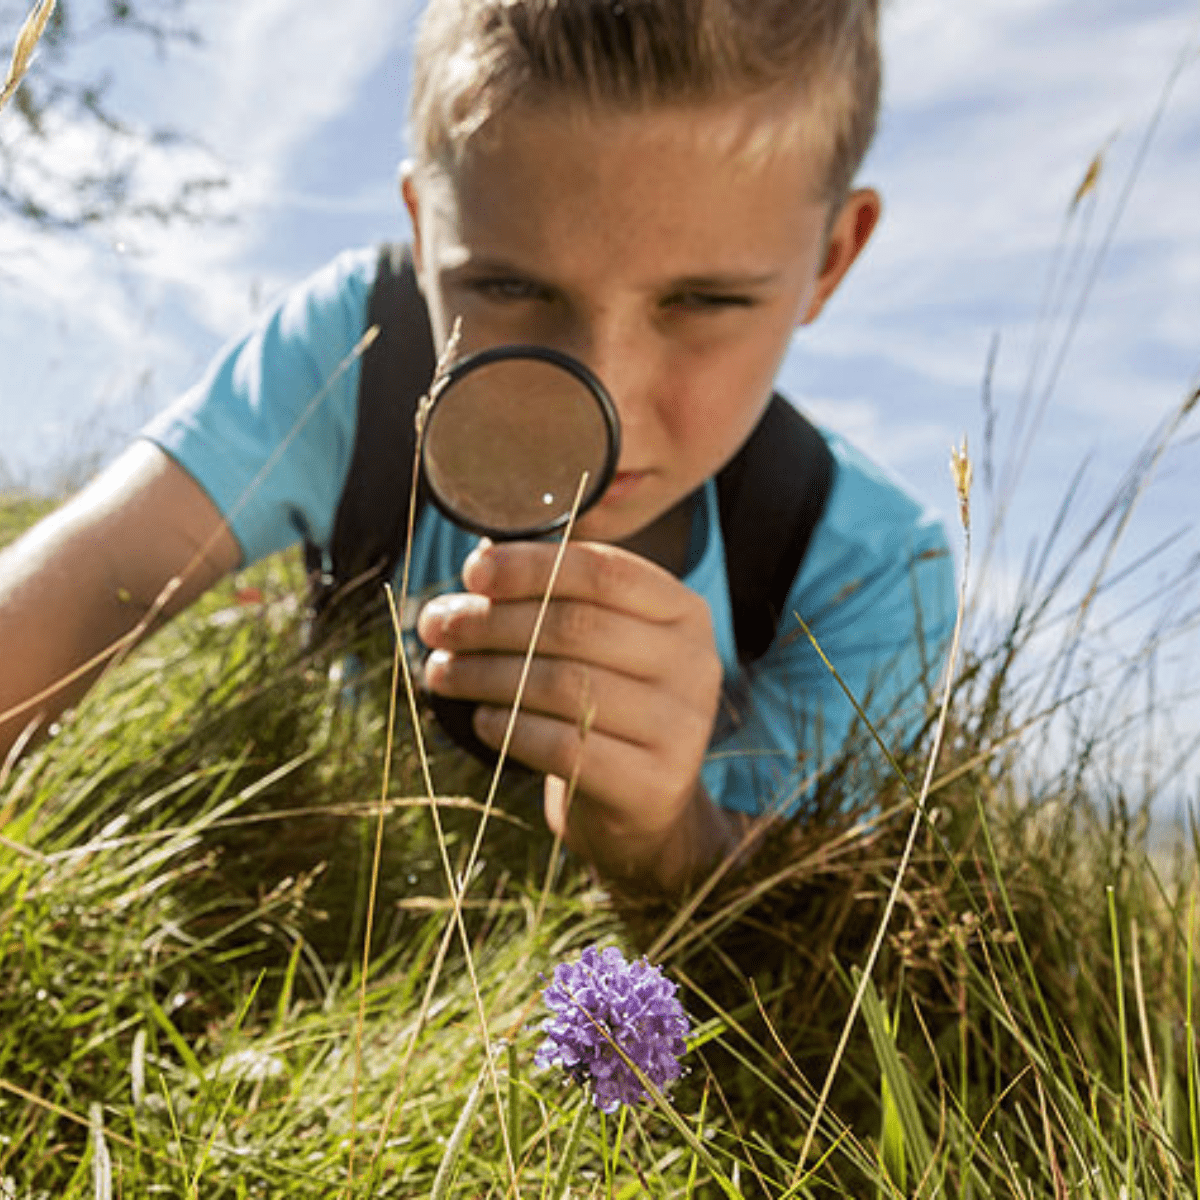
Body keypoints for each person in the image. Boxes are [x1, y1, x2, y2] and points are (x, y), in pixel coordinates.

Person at [0, 0, 955, 892]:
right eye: (509, 288)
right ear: (423, 237)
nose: (601, 400)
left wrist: (664, 836)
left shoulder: (869, 572)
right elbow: (75, 595)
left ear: (830, 258)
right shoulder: (360, 348)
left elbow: (793, 940)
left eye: (702, 302)